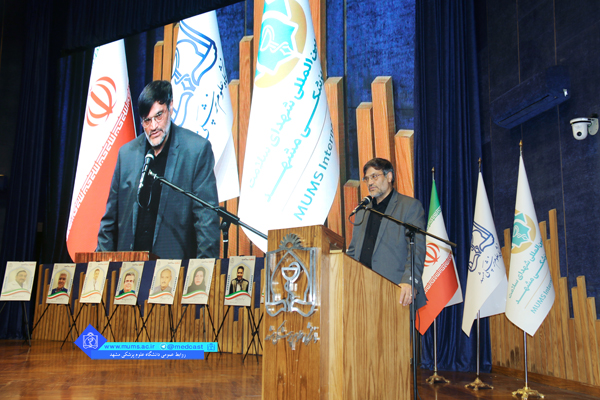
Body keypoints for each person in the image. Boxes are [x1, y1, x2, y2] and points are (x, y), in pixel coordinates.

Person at [96, 80, 220, 260]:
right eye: (147, 120)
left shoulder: (196, 151)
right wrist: (101, 269)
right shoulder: (126, 155)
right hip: (128, 270)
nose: (153, 126)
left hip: (175, 271)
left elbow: (206, 223)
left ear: (171, 107)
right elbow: (109, 223)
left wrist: (202, 272)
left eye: (159, 116)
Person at [346, 158, 427, 309]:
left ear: (389, 177)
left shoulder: (409, 206)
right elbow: (353, 251)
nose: (370, 182)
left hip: (395, 291)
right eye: (367, 178)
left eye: (374, 176)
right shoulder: (362, 211)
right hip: (361, 292)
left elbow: (417, 249)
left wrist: (409, 281)